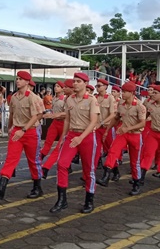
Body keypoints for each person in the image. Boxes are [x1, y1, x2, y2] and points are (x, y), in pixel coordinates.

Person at [0, 71, 45, 201]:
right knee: (10, 159)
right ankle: (1, 189)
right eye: (17, 78)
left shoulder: (33, 97)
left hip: (30, 132)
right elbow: (12, 114)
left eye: (21, 79)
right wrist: (10, 128)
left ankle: (37, 187)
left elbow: (37, 116)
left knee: (33, 161)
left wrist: (23, 130)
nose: (18, 81)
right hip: (17, 131)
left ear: (27, 82)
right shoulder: (14, 97)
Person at [49, 72, 100, 214]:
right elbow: (67, 119)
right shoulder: (69, 99)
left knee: (88, 169)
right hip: (72, 134)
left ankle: (89, 200)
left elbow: (94, 121)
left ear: (85, 83)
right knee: (62, 164)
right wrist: (63, 137)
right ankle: (62, 199)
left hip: (87, 136)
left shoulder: (91, 100)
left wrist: (81, 137)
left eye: (78, 81)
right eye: (74, 81)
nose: (75, 83)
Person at [97, 82, 147, 196]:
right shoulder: (120, 103)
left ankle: (136, 183)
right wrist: (107, 130)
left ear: (132, 93)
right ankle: (106, 176)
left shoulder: (140, 106)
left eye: (125, 92)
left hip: (135, 135)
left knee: (135, 162)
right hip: (123, 133)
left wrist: (129, 128)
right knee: (112, 151)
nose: (122, 94)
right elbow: (116, 118)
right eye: (122, 91)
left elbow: (142, 123)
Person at [42, 80, 73, 177]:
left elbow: (67, 114)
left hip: (65, 124)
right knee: (47, 143)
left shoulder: (67, 99)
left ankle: (46, 167)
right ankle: (38, 164)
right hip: (55, 123)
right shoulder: (54, 98)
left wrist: (54, 115)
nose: (57, 88)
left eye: (59, 86)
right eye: (56, 86)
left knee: (59, 147)